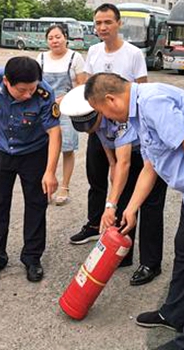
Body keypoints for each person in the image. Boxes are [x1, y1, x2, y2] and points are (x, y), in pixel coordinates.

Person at [84, 73, 184, 350]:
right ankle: (175, 313)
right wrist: (130, 209)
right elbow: (150, 166)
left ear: (110, 99)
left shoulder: (152, 102)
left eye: (101, 111)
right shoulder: (138, 114)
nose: (105, 118)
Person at [60, 85, 167, 286]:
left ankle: (150, 264)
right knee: (123, 205)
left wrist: (110, 204)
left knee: (149, 208)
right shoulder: (95, 120)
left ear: (99, 111)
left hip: (149, 159)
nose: (91, 129)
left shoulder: (118, 120)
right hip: (123, 159)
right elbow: (110, 152)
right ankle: (123, 254)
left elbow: (124, 162)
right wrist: (112, 170)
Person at [0, 56, 61, 284]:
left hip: (34, 152)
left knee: (36, 205)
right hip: (2, 151)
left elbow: (54, 133)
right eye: (22, 90)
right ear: (7, 82)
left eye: (32, 89)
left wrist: (50, 171)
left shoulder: (44, 93)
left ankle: (32, 258)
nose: (29, 94)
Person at [70, 3, 147, 247]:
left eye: (108, 22)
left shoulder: (133, 54)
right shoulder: (93, 51)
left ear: (119, 23)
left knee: (123, 181)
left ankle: (120, 235)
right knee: (96, 179)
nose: (102, 27)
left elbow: (142, 90)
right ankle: (95, 224)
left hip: (126, 129)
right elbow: (88, 89)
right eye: (98, 23)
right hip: (99, 127)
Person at [35, 24, 87, 206]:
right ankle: (46, 185)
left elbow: (82, 86)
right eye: (50, 38)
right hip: (44, 110)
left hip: (67, 109)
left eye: (58, 36)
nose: (54, 41)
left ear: (65, 37)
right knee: (43, 148)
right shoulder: (40, 57)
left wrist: (63, 98)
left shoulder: (75, 57)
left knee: (67, 148)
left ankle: (64, 186)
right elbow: (36, 84)